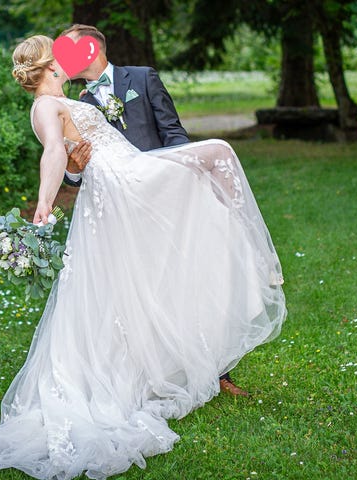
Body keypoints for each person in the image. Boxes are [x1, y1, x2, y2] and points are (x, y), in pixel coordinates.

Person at [0, 35, 286, 480]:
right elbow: (54, 152)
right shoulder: (46, 106)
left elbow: (73, 148)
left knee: (147, 266)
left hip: (125, 175)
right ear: (50, 66)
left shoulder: (65, 100)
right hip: (122, 180)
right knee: (219, 152)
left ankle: (233, 262)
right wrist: (44, 205)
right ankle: (255, 251)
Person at [63, 24, 246, 395]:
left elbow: (173, 133)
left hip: (163, 194)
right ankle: (149, 374)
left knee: (189, 280)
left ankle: (218, 373)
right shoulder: (75, 105)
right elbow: (73, 175)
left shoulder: (142, 78)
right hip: (120, 209)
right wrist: (74, 169)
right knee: (139, 291)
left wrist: (176, 176)